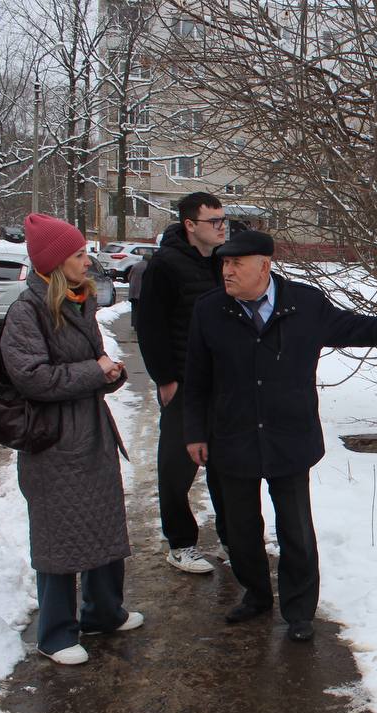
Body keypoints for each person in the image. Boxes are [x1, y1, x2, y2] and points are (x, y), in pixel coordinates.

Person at [183, 231, 377, 641]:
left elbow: (356, 328)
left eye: (237, 263)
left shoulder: (303, 304)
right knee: (239, 530)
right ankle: (256, 595)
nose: (227, 271)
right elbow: (196, 378)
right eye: (224, 263)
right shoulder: (210, 309)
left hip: (289, 435)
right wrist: (195, 432)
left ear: (264, 266)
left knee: (297, 530)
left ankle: (299, 611)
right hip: (231, 437)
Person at [0, 213, 142, 665]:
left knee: (103, 525)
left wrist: (109, 373)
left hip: (92, 435)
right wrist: (92, 371)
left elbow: (90, 365)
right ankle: (56, 633)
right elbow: (32, 379)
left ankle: (103, 612)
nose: (88, 261)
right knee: (59, 537)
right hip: (53, 443)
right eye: (79, 255)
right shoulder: (27, 311)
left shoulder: (80, 302)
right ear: (57, 262)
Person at [136, 192, 229, 574]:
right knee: (177, 467)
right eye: (215, 222)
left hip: (222, 383)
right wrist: (166, 379)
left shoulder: (224, 261)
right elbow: (149, 326)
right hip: (183, 383)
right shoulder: (164, 266)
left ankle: (231, 537)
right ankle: (180, 543)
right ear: (191, 225)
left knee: (225, 465)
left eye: (225, 220)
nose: (223, 227)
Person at [126, 257, 148, 328]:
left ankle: (135, 324)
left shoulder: (135, 265)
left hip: (133, 291)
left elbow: (129, 277)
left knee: (134, 308)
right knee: (143, 309)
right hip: (142, 292)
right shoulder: (148, 266)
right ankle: (141, 325)